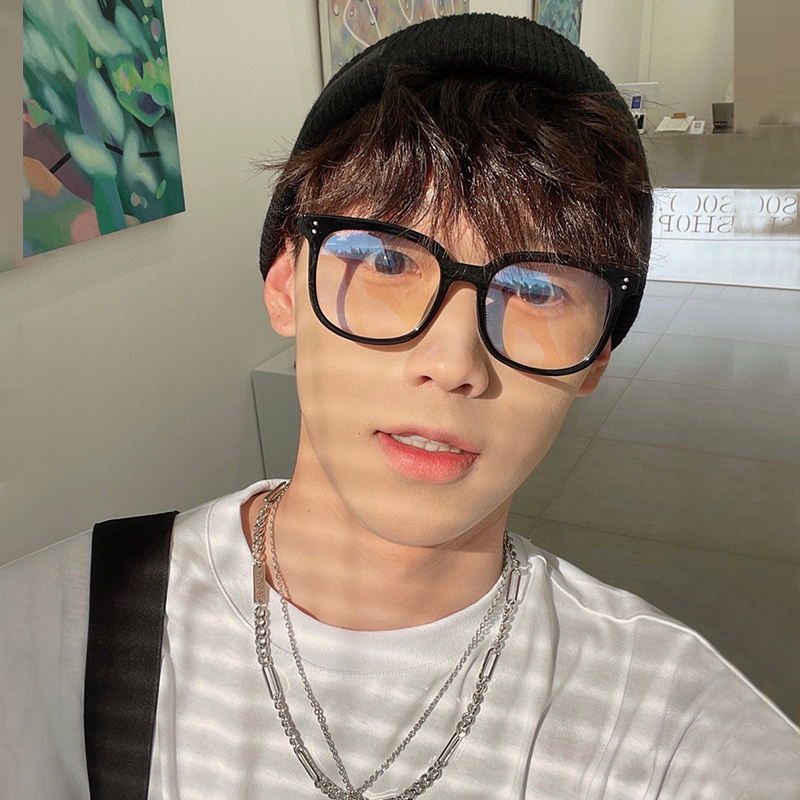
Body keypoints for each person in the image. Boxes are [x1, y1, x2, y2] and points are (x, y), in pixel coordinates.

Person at [2, 13, 799, 800]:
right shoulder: (55, 634)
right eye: (386, 260)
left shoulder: (671, 719)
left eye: (535, 289)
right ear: (284, 285)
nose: (453, 364)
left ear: (597, 355)